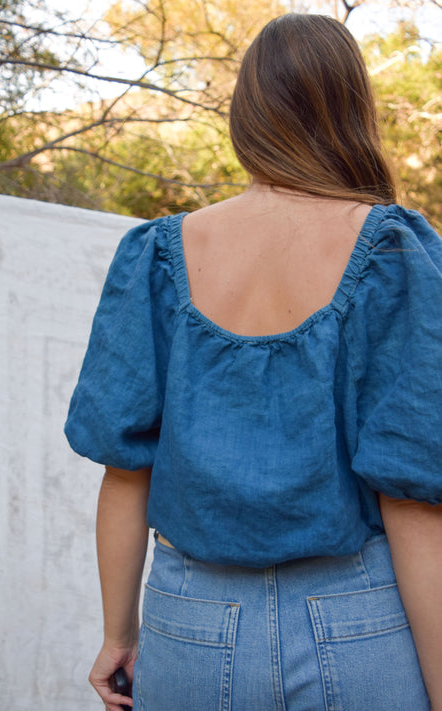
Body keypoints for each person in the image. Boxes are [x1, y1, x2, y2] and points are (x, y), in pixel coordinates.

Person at [65, 13, 442, 711]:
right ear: (351, 110)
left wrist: (117, 633)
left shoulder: (157, 254)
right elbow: (412, 495)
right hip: (357, 618)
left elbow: (124, 469)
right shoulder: (393, 252)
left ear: (248, 115)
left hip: (190, 619)